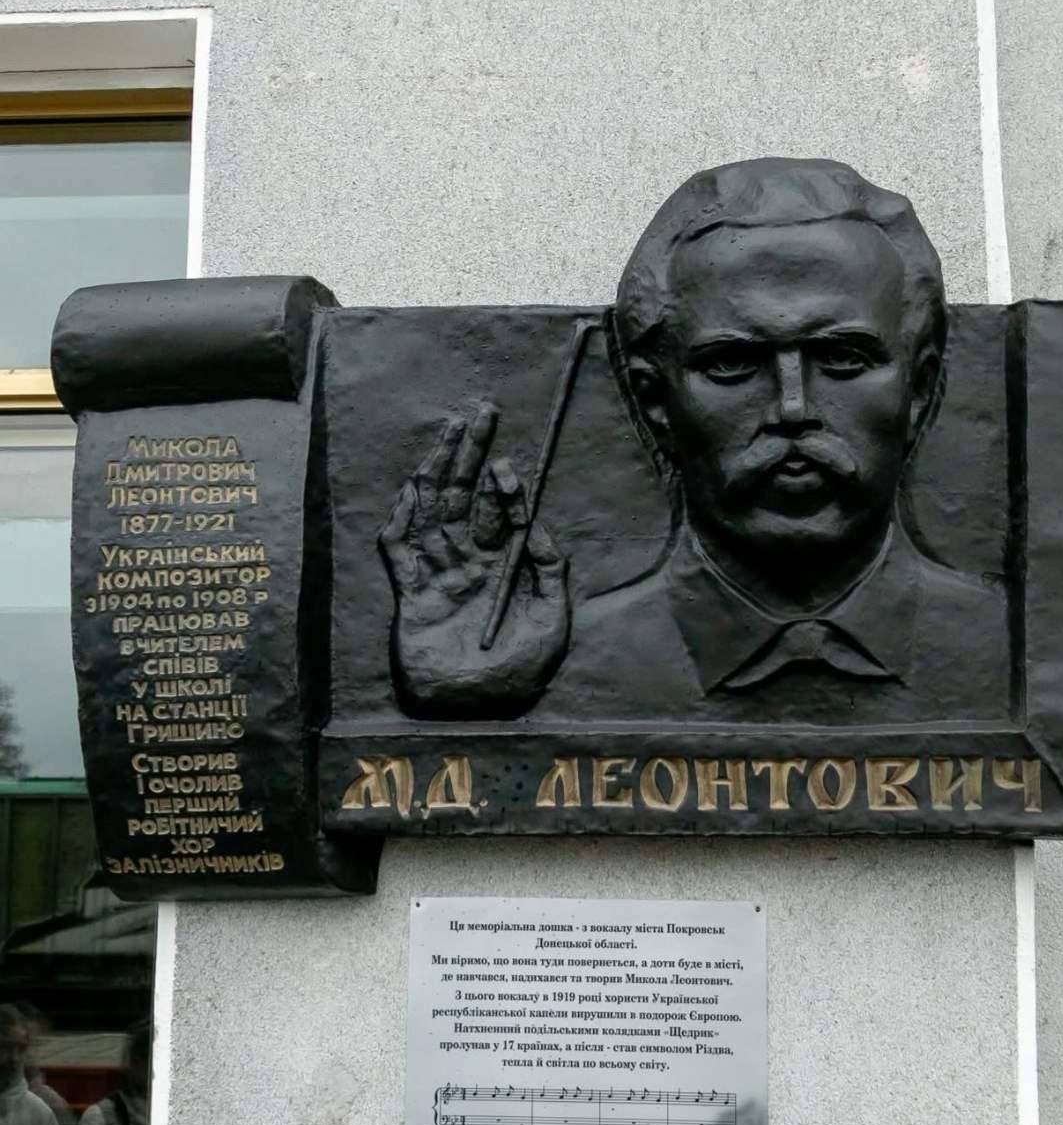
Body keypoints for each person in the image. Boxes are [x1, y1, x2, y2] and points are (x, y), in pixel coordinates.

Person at [381, 158, 1009, 723]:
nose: (793, 409)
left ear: (918, 389)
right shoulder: (574, 658)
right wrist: (469, 697)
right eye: (732, 364)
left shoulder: (1015, 650)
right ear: (656, 402)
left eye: (843, 358)